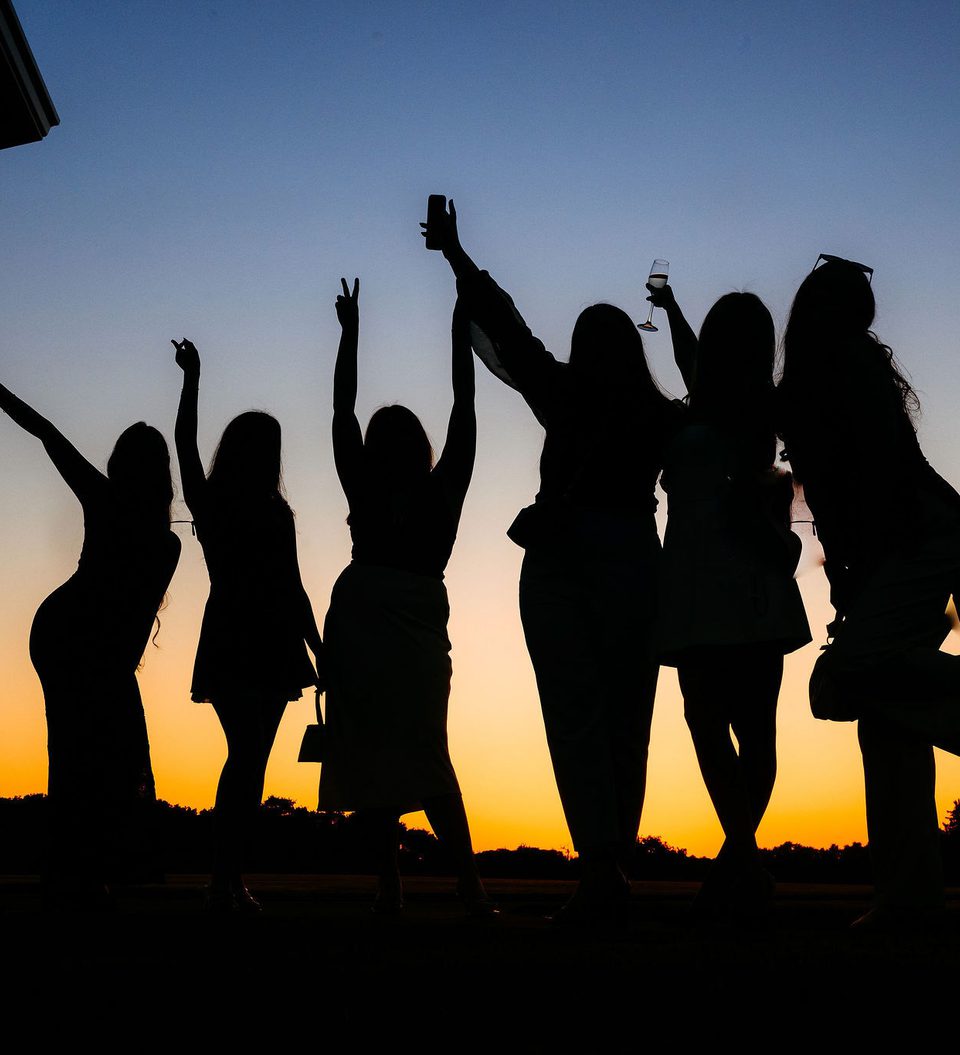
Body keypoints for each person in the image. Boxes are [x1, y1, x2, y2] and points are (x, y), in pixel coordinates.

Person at [430, 202, 682, 924]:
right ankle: (606, 865)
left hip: (582, 560)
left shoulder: (573, 394)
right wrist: (456, 254)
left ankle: (603, 866)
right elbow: (505, 322)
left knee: (584, 715)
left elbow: (505, 322)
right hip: (617, 560)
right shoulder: (644, 413)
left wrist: (454, 252)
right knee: (617, 716)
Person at [778, 255, 960, 926]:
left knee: (849, 677)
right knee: (888, 721)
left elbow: (881, 482)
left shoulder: (841, 367)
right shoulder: (826, 376)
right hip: (911, 544)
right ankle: (909, 896)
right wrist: (852, 580)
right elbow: (844, 498)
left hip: (919, 542)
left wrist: (859, 579)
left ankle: (908, 893)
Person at [318, 278, 493, 915]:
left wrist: (351, 332)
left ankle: (394, 884)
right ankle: (466, 882)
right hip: (412, 625)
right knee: (424, 752)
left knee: (377, 756)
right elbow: (464, 406)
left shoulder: (365, 488)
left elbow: (340, 410)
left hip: (366, 619)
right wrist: (458, 333)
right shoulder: (441, 489)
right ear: (420, 448)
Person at [647, 284, 810, 922]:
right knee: (720, 724)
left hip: (731, 580)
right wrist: (671, 307)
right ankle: (742, 862)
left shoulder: (750, 411)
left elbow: (695, 361)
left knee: (732, 726)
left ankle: (736, 863)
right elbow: (692, 357)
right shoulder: (730, 406)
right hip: (704, 582)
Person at [0, 381, 180, 906]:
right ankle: (85, 867)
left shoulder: (105, 500)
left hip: (65, 633)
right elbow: (136, 620)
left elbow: (46, 433)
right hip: (78, 641)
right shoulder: (163, 543)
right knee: (97, 752)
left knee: (76, 750)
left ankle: (79, 867)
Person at [173, 338, 322, 912]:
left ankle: (226, 877)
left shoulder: (219, 505)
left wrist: (192, 380)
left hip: (244, 637)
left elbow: (294, 585)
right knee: (247, 761)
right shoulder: (259, 510)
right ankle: (224, 879)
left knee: (247, 760)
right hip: (262, 641)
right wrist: (319, 649)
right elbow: (293, 587)